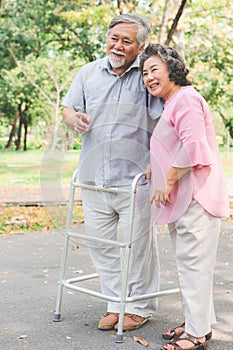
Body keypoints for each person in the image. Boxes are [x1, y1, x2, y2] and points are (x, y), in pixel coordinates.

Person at [62, 14, 164, 332]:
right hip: (93, 177)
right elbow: (67, 108)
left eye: (127, 41)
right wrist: (72, 119)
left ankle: (139, 307)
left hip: (135, 179)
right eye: (114, 38)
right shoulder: (88, 72)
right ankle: (115, 302)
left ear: (141, 46)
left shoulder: (148, 76)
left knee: (138, 246)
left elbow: (167, 120)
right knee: (102, 245)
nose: (118, 46)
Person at [140, 44, 229, 350]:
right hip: (185, 199)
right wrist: (157, 163)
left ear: (172, 69)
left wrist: (167, 181)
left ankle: (198, 334)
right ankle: (196, 323)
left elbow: (194, 148)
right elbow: (178, 142)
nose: (149, 77)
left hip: (196, 198)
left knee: (193, 265)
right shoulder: (174, 102)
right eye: (144, 72)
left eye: (154, 69)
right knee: (191, 265)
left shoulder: (186, 99)